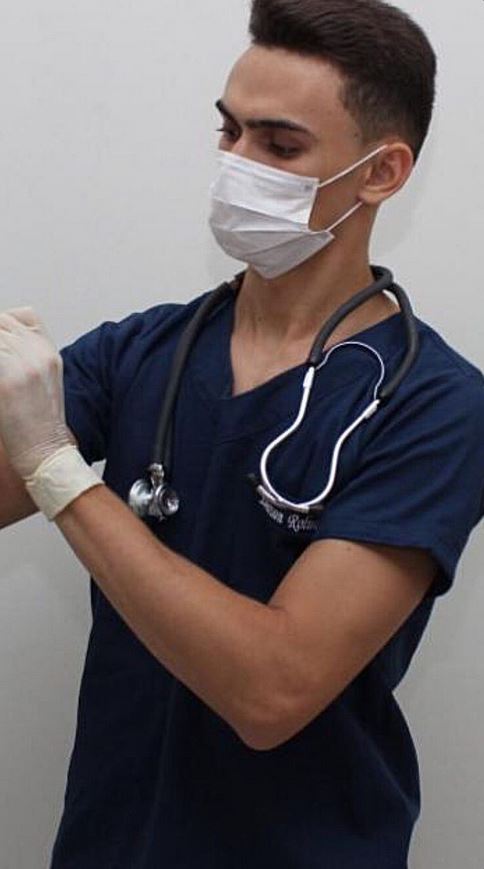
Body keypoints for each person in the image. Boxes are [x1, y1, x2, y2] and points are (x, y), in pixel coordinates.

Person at [1, 0, 483, 866]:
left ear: (381, 172)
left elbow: (272, 690)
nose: (236, 165)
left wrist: (58, 468)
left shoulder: (432, 405)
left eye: (280, 145)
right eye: (229, 131)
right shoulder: (148, 350)